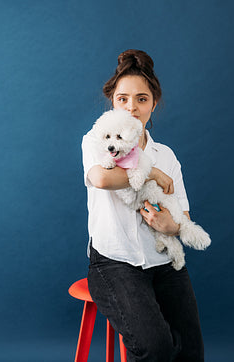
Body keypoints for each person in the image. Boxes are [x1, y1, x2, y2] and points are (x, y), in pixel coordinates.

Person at [81, 49, 204, 361]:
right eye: (123, 98)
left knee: (190, 352)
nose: (131, 107)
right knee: (156, 347)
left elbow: (183, 213)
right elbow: (102, 179)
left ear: (154, 103)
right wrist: (152, 172)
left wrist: (171, 226)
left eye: (141, 98)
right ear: (112, 101)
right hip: (114, 262)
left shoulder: (167, 155)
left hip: (162, 261)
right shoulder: (97, 140)